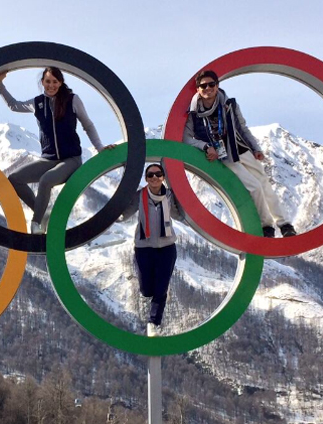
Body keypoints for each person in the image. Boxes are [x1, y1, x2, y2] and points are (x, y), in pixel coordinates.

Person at [0, 67, 114, 234]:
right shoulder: (37, 103)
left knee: (46, 181)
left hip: (70, 160)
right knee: (14, 179)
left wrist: (100, 147)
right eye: (48, 81)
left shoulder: (72, 100)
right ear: (42, 82)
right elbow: (14, 105)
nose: (51, 85)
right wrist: (0, 85)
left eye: (55, 82)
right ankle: (43, 214)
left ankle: (36, 223)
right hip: (48, 160)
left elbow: (88, 125)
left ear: (60, 82)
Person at [182, 70, 297, 238]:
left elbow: (242, 127)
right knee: (254, 187)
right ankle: (266, 227)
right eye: (203, 85)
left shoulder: (229, 104)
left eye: (211, 84)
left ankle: (285, 224)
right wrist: (206, 146)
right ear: (198, 89)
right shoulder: (193, 112)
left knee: (264, 184)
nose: (208, 88)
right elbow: (186, 138)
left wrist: (256, 148)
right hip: (224, 156)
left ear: (217, 85)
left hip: (242, 149)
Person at [121, 163, 183, 337]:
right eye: (150, 175)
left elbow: (180, 215)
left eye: (158, 174)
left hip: (167, 247)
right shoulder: (139, 196)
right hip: (144, 247)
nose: (154, 177)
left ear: (163, 177)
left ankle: (153, 323)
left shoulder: (170, 196)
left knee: (161, 288)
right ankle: (149, 299)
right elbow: (124, 214)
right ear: (146, 178)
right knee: (146, 290)